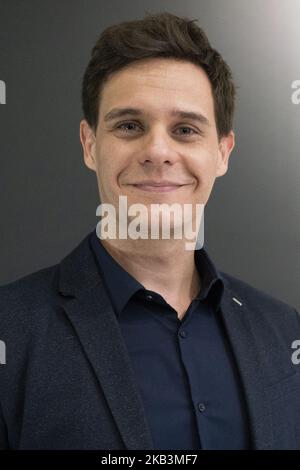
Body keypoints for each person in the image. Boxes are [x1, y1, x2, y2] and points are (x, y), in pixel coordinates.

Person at [0, 12, 299, 450]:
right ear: (89, 145)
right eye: (129, 126)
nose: (158, 151)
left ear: (222, 152)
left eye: (185, 130)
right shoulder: (11, 329)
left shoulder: (283, 331)